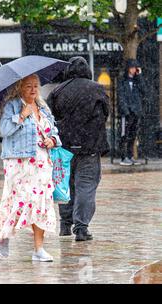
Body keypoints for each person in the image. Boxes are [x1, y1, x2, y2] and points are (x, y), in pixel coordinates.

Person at [0, 74, 61, 261]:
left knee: (41, 203)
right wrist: (20, 116)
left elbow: (54, 131)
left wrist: (52, 140)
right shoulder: (12, 105)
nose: (33, 90)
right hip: (19, 161)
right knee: (18, 201)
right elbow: (5, 130)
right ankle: (4, 234)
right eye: (28, 86)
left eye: (36, 86)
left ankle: (39, 249)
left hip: (42, 162)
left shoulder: (43, 107)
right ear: (20, 88)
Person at [47, 56, 110, 241]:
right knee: (86, 186)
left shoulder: (57, 91)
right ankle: (81, 228)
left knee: (64, 183)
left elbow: (50, 117)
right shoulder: (97, 89)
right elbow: (106, 112)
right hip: (90, 146)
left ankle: (65, 224)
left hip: (64, 146)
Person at [118, 59, 144, 166]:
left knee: (133, 135)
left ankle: (130, 156)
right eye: (132, 67)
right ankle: (123, 157)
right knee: (124, 135)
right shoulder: (122, 81)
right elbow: (121, 96)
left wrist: (140, 76)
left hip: (135, 112)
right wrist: (125, 110)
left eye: (135, 68)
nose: (134, 70)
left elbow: (144, 90)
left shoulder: (137, 81)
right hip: (127, 113)